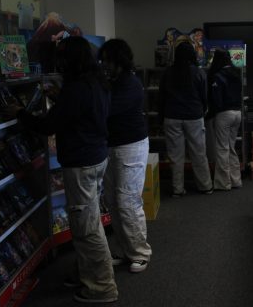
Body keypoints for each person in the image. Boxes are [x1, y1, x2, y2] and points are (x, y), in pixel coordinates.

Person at [9, 36, 117, 303]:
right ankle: (87, 273)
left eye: (62, 58)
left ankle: (102, 286)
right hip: (96, 157)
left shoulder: (76, 88)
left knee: (87, 227)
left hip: (81, 163)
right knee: (87, 222)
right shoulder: (97, 82)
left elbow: (48, 126)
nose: (59, 62)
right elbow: (82, 111)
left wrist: (20, 114)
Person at [98, 38, 152, 274]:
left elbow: (107, 110)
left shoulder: (130, 83)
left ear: (118, 60)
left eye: (108, 60)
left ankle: (140, 252)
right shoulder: (113, 81)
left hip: (131, 146)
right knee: (112, 200)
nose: (105, 65)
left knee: (127, 201)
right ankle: (124, 249)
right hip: (111, 145)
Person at [159, 41, 213, 196]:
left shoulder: (168, 73)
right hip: (194, 116)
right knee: (198, 153)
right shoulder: (198, 72)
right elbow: (204, 96)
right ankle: (205, 186)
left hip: (172, 116)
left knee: (176, 156)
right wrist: (202, 110)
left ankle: (177, 189)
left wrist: (161, 117)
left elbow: (161, 98)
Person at [207, 49, 242, 190]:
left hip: (224, 114)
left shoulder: (218, 76)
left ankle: (223, 183)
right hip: (237, 113)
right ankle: (236, 180)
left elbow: (216, 99)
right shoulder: (236, 73)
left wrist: (211, 114)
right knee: (231, 147)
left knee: (222, 148)